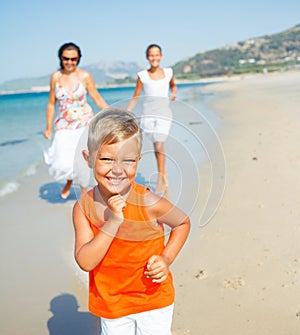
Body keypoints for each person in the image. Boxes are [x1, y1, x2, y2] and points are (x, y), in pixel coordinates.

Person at [73, 108, 190, 335]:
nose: (117, 170)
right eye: (106, 159)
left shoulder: (147, 202)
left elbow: (182, 223)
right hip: (112, 305)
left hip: (153, 298)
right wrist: (113, 222)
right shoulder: (83, 208)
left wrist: (166, 258)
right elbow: (85, 262)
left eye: (127, 161)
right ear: (88, 158)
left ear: (138, 160)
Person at [43, 42, 108, 199]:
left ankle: (84, 194)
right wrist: (48, 128)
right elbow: (52, 104)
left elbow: (97, 98)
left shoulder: (84, 76)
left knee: (82, 161)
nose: (69, 62)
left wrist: (113, 113)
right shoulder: (55, 77)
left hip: (84, 123)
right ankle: (69, 181)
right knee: (62, 163)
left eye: (73, 59)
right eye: (66, 58)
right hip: (64, 125)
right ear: (60, 58)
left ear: (78, 59)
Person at [127, 44, 177, 195]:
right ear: (147, 57)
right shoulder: (142, 76)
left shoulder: (168, 72)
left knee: (159, 145)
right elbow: (136, 96)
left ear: (161, 56)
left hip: (164, 114)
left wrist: (174, 93)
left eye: (157, 55)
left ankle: (161, 176)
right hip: (148, 114)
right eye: (151, 55)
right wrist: (126, 112)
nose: (154, 58)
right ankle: (163, 171)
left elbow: (173, 86)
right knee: (154, 146)